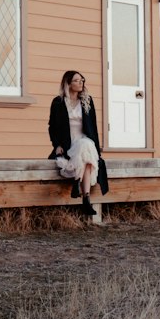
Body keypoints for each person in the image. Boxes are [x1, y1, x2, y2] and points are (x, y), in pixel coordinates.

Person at [47, 70, 109, 217]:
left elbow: (93, 127)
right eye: (76, 80)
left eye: (82, 80)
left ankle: (83, 194)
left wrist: (97, 150)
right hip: (68, 144)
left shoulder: (87, 101)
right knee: (86, 156)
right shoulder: (58, 102)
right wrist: (57, 145)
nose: (81, 82)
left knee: (86, 147)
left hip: (85, 140)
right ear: (68, 83)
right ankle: (84, 196)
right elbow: (52, 127)